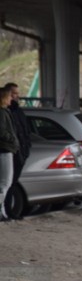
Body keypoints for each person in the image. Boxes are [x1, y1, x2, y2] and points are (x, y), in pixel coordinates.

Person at [4, 83, 31, 198]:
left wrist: (26, 148)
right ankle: (6, 211)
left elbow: (26, 130)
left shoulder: (18, 111)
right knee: (7, 183)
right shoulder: (6, 111)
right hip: (11, 151)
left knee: (12, 183)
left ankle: (8, 211)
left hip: (21, 151)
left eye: (17, 94)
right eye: (14, 93)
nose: (16, 96)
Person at [0, 86, 19, 222]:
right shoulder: (2, 113)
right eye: (9, 96)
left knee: (4, 183)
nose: (11, 99)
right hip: (5, 150)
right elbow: (2, 131)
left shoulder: (5, 112)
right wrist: (13, 139)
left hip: (6, 149)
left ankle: (3, 213)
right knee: (5, 183)